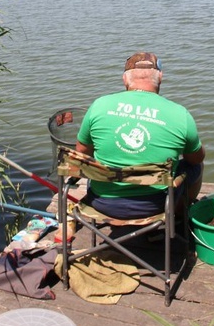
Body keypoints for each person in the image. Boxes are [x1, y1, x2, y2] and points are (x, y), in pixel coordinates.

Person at [75, 52, 205, 220]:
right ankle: (179, 216)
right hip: (156, 205)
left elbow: (81, 153)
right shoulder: (180, 114)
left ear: (125, 79)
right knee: (196, 167)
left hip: (101, 203)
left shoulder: (99, 105)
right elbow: (196, 158)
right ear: (161, 77)